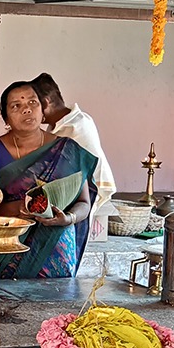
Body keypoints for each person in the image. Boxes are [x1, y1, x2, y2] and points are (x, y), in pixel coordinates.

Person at [0, 80, 97, 279]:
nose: (26, 110)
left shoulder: (67, 150)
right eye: (16, 106)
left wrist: (67, 218)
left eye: (32, 103)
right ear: (6, 118)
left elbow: (83, 203)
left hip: (56, 246)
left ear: (42, 110)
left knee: (55, 307)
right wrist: (18, 208)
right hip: (9, 245)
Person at [31, 73, 115, 237]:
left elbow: (78, 175)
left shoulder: (77, 127)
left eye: (34, 104)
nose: (32, 111)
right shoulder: (59, 124)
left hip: (83, 194)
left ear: (46, 103)